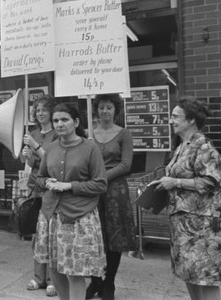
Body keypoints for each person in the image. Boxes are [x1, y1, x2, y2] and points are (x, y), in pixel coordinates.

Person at [152, 96, 221, 300]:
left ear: (191, 119)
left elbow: (210, 181)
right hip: (182, 222)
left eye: (175, 116)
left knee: (205, 274)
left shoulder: (203, 146)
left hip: (201, 225)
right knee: (189, 273)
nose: (171, 120)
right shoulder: (182, 146)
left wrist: (175, 182)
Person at [34, 103, 107, 300]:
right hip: (51, 214)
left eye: (64, 119)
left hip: (78, 216)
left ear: (76, 122)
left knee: (75, 271)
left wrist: (70, 186)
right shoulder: (50, 148)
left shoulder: (90, 148)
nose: (59, 124)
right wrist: (47, 182)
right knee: (55, 267)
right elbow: (39, 178)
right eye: (56, 120)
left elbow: (101, 184)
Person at [86, 94, 137, 300]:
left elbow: (126, 164)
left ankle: (109, 283)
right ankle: (95, 281)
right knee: (93, 235)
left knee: (113, 238)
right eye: (101, 108)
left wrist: (101, 178)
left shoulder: (124, 134)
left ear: (116, 110)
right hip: (93, 192)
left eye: (108, 108)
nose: (104, 111)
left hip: (115, 191)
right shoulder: (90, 134)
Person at [21, 95, 58, 297]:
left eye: (44, 109)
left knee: (51, 234)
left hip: (50, 188)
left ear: (51, 111)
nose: (40, 113)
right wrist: (28, 156)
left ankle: (53, 278)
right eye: (37, 110)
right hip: (35, 187)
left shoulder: (56, 133)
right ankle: (38, 276)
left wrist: (35, 146)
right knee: (37, 236)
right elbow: (30, 164)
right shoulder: (33, 133)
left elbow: (51, 160)